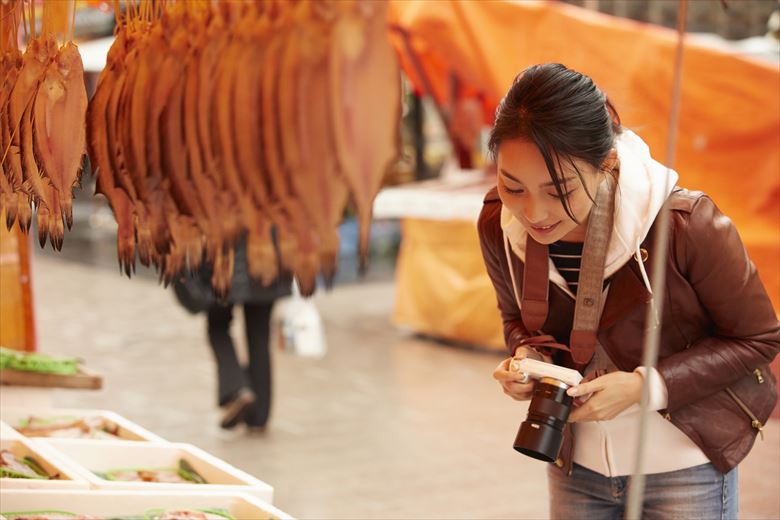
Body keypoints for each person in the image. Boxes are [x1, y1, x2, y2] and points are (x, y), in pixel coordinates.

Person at [478, 63, 779, 519]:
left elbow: (759, 337)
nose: (533, 213)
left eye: (558, 189)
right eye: (513, 186)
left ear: (607, 165)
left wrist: (646, 386)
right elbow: (516, 320)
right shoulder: (498, 224)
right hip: (573, 465)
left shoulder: (683, 223)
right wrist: (529, 362)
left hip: (683, 466)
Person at [173, 238, 291, 432]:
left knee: (218, 328)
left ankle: (236, 388)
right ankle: (259, 418)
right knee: (259, 336)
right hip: (267, 260)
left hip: (225, 264)